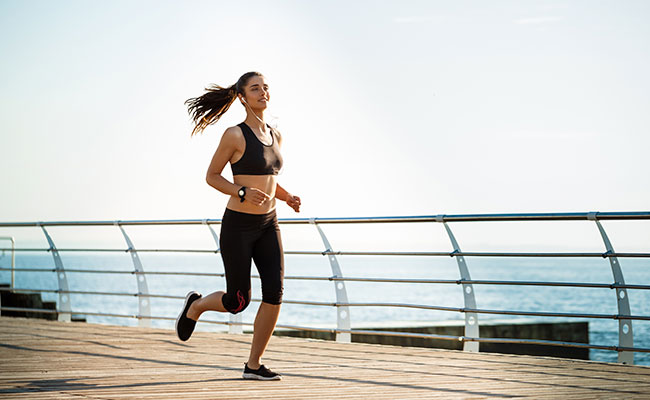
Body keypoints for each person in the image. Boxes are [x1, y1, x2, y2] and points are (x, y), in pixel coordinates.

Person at [176, 72, 301, 381]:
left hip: (269, 223)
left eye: (266, 87)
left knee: (275, 293)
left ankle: (254, 364)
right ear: (243, 97)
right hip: (239, 226)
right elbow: (213, 176)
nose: (263, 92)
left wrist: (286, 197)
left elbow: (269, 181)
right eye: (255, 88)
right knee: (237, 301)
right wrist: (241, 191)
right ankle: (196, 307)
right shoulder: (235, 135)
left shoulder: (276, 135)